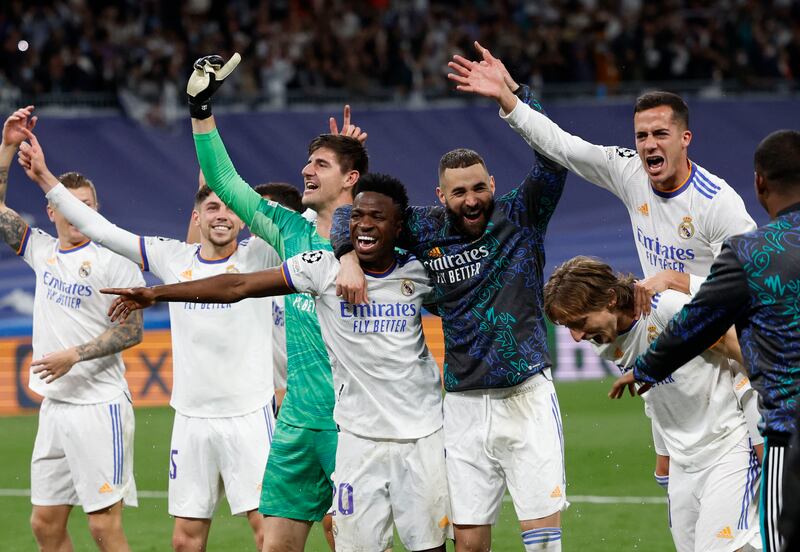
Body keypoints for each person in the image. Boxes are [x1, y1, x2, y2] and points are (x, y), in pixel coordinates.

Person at [448, 39, 761, 486]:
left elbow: (755, 286)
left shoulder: (718, 204)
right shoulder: (631, 172)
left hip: (732, 355)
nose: (649, 144)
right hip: (675, 346)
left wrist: (682, 282)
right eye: (642, 136)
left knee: (763, 492)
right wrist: (509, 97)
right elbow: (565, 147)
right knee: (679, 498)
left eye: (660, 134)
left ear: (685, 139)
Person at [102, 173, 450, 552]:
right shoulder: (322, 268)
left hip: (422, 435)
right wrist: (157, 292)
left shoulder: (421, 272)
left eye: (377, 217)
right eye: (357, 216)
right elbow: (237, 286)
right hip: (356, 440)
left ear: (399, 227)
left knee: (428, 547)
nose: (364, 224)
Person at [18, 130, 281, 551]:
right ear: (196, 217)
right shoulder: (171, 257)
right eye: (211, 206)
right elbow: (98, 229)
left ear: (244, 218)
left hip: (249, 416)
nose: (221, 215)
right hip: (190, 420)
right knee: (184, 542)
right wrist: (46, 178)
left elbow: (312, 223)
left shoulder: (259, 257)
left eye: (231, 208)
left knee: (269, 531)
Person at [332, 88, 568, 550]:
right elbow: (351, 215)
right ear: (442, 195)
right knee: (469, 544)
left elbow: (553, 158)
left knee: (542, 541)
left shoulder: (520, 215)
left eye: (479, 187)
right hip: (461, 405)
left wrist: (514, 97)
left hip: (527, 397)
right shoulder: (426, 227)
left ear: (493, 185)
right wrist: (346, 258)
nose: (472, 199)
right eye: (459, 192)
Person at [186, 53, 368, 551]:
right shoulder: (290, 229)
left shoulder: (379, 235)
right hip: (296, 422)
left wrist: (356, 171)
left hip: (355, 421)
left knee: (355, 543)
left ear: (350, 179)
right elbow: (225, 183)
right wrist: (200, 109)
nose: (305, 170)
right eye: (307, 162)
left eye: (321, 164)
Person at [609, 130, 800, 552]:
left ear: (759, 184)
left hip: (789, 427)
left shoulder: (753, 252)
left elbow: (697, 322)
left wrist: (644, 368)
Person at [544, 256, 762, 552]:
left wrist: (770, 414)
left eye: (580, 323)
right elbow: (655, 394)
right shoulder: (605, 344)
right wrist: (664, 455)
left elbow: (735, 348)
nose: (577, 337)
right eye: (570, 327)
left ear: (609, 299)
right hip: (683, 461)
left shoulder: (666, 307)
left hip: (728, 446)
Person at [0, 106, 144, 551]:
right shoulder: (39, 250)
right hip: (56, 409)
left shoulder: (114, 262)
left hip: (99, 407)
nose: (80, 215)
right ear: (52, 209)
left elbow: (132, 331)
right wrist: (6, 147)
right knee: (44, 524)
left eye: (88, 208)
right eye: (71, 206)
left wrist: (75, 355)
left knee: (103, 527)